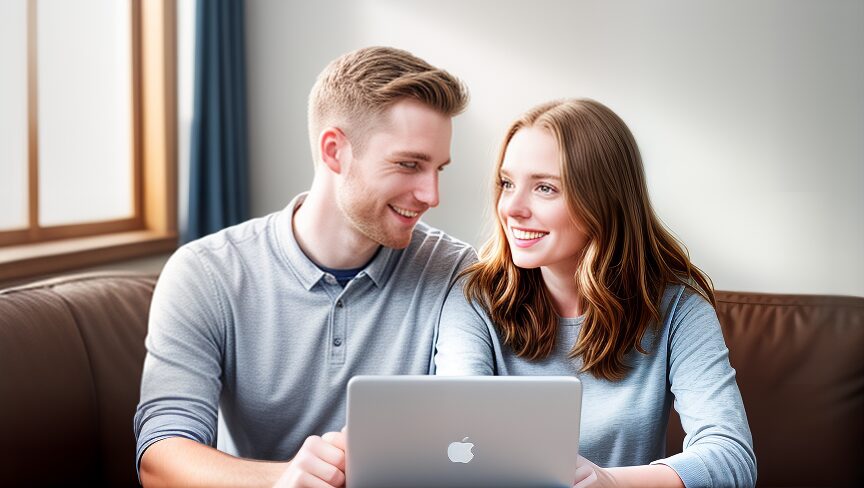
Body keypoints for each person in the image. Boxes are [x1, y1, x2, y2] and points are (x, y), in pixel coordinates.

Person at [134, 46, 473, 488]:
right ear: (334, 151)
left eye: (438, 169)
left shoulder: (454, 271)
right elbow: (160, 460)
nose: (431, 195)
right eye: (409, 164)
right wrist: (286, 480)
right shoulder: (205, 273)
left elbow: (468, 422)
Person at [435, 99, 756, 487]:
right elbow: (456, 437)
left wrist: (611, 483)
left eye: (545, 188)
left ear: (602, 201)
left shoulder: (678, 308)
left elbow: (731, 457)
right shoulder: (474, 298)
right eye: (507, 183)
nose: (512, 208)